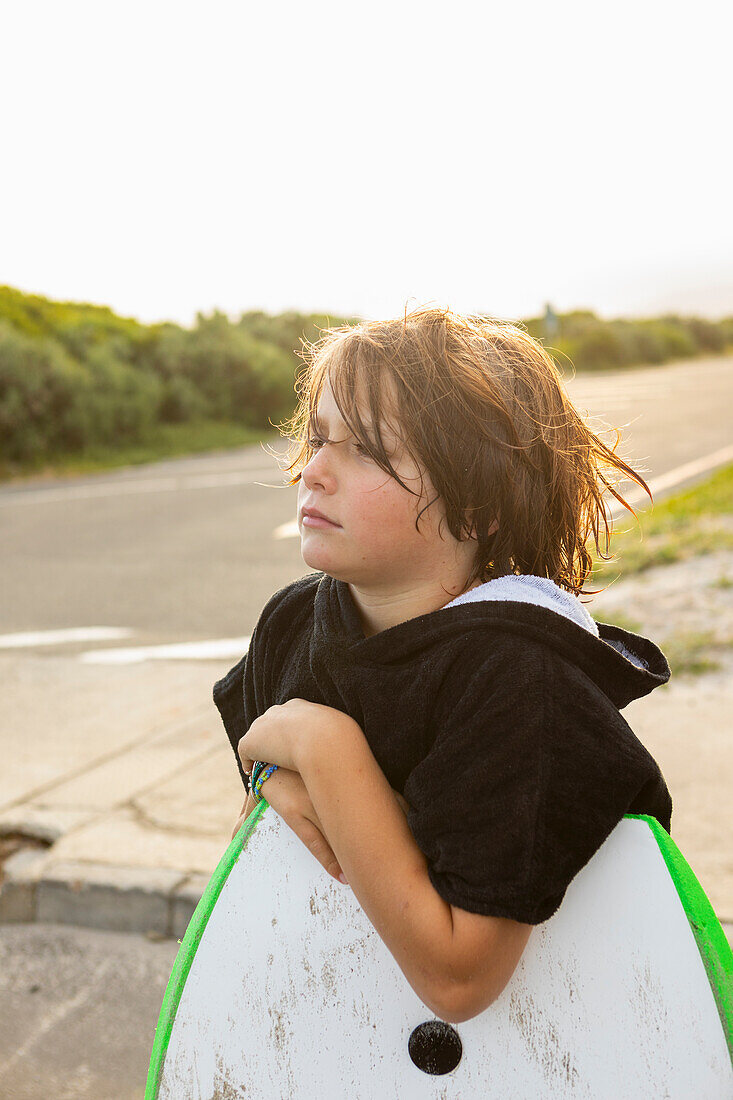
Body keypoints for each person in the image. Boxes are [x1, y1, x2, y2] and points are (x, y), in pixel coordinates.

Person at [213, 304, 673, 1024]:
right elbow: (264, 838)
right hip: (341, 1030)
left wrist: (319, 745)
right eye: (317, 437)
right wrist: (271, 773)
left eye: (367, 450)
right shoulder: (293, 622)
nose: (317, 473)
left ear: (479, 506)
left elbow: (459, 981)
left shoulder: (520, 679)